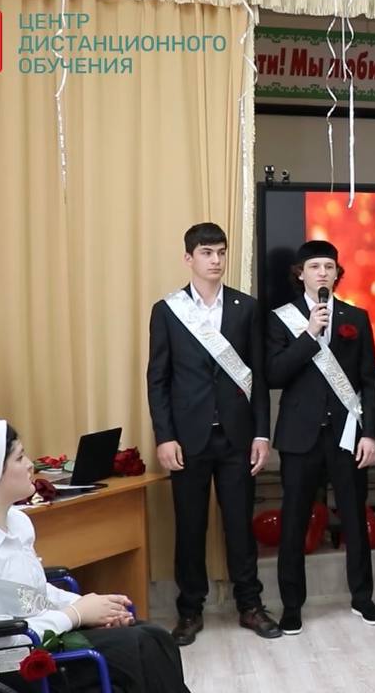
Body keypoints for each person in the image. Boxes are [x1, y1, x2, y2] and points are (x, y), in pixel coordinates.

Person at [0, 420, 190, 692]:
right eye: (19, 458)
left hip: (36, 635)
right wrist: (75, 615)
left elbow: (31, 594)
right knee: (138, 648)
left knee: (154, 637)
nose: (30, 465)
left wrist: (90, 607)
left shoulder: (15, 522)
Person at [146, 223, 279, 644]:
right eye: (206, 253)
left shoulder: (246, 308)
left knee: (240, 526)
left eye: (221, 252)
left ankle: (250, 605)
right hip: (187, 440)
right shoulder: (168, 311)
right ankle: (189, 611)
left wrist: (261, 434)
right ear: (189, 258)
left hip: (237, 437)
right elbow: (158, 380)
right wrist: (164, 436)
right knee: (189, 528)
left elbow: (256, 377)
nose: (216, 260)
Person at [266, 240, 375, 632]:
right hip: (299, 436)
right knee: (294, 521)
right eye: (315, 266)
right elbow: (275, 374)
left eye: (329, 267)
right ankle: (292, 605)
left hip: (346, 434)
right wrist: (309, 334)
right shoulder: (281, 319)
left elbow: (369, 381)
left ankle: (362, 597)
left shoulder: (356, 317)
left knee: (354, 516)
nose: (322, 273)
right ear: (300, 273)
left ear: (337, 274)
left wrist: (370, 434)